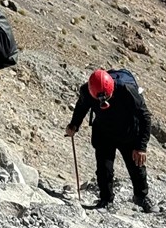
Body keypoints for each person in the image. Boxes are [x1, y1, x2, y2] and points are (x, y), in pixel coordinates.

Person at [65, 68, 153, 212]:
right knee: (104, 168)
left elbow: (145, 117)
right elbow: (81, 107)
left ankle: (141, 197)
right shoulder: (87, 91)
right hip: (103, 132)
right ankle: (105, 199)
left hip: (128, 132)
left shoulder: (127, 90)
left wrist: (141, 147)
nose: (103, 101)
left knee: (136, 166)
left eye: (106, 97)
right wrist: (74, 125)